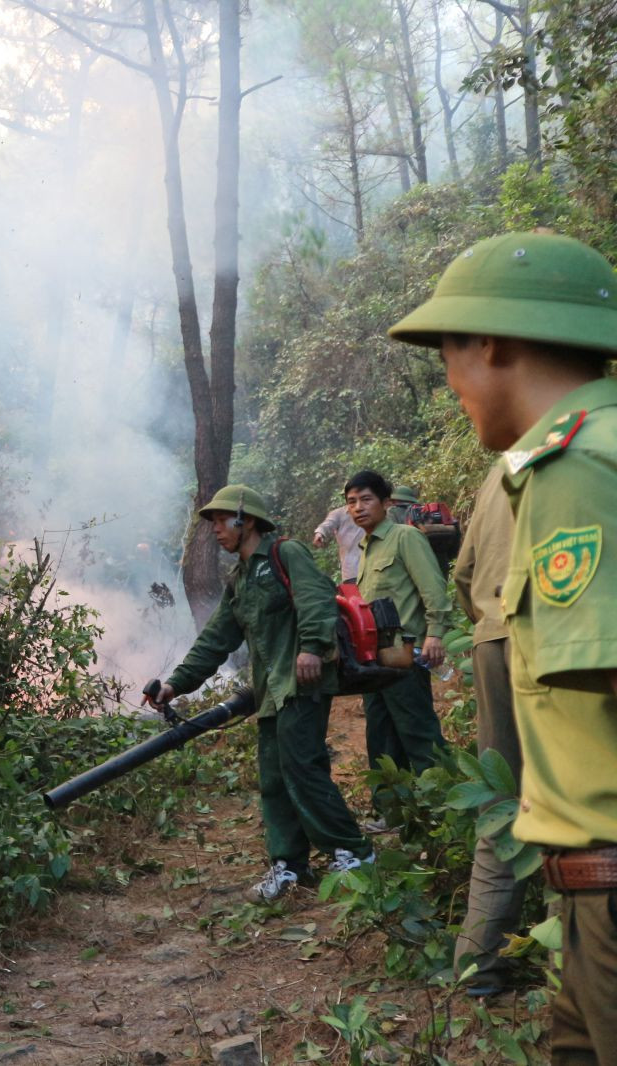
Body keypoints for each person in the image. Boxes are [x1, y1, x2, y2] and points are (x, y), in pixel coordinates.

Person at [388, 230, 617, 1064]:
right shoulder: (574, 454)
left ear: (489, 342)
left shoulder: (575, 468)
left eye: (447, 350)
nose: (449, 382)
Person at [151, 485, 374, 901]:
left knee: (303, 768)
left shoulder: (286, 554)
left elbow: (317, 601)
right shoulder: (240, 578)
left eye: (221, 520)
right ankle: (289, 867)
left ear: (246, 519)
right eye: (213, 522)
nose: (215, 530)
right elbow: (215, 639)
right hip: (269, 693)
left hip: (303, 683)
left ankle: (354, 853)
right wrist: (174, 684)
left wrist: (310, 648)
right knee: (273, 778)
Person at [451, 462, 528, 997]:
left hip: (492, 640)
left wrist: (487, 624)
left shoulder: (501, 468)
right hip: (563, 640)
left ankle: (478, 968)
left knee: (502, 800)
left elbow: (464, 570)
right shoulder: (597, 438)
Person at [345, 469, 451, 828]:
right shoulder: (364, 548)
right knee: (381, 738)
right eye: (351, 502)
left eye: (366, 499)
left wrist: (435, 633)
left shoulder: (405, 537)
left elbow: (432, 587)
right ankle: (394, 814)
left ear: (386, 503)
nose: (358, 508)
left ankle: (444, 812)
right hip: (375, 661)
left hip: (405, 657)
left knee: (418, 732)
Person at [313, 502, 365, 581]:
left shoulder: (372, 511)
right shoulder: (339, 514)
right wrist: (319, 534)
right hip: (352, 571)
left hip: (375, 569)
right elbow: (327, 524)